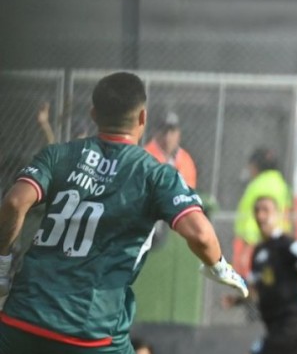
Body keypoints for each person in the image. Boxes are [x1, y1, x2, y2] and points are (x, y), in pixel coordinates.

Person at [0, 71, 248, 354]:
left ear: (93, 114)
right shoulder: (155, 175)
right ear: (143, 118)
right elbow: (201, 234)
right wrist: (218, 266)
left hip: (20, 321)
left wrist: (2, 264)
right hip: (90, 333)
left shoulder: (58, 155)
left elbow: (14, 203)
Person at [223, 196, 297, 354]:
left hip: (292, 328)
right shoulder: (258, 252)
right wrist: (237, 300)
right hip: (274, 329)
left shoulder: (288, 245)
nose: (260, 216)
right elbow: (255, 290)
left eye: (266, 210)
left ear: (278, 215)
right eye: (257, 211)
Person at [233, 147, 293, 277]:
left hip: (254, 243)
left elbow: (251, 221)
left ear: (255, 166)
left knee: (249, 284)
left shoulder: (258, 185)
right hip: (277, 241)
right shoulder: (281, 184)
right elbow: (287, 214)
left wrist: (246, 250)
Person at [144, 111, 198, 190]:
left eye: (172, 131)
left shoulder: (186, 160)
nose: (167, 136)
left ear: (178, 134)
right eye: (164, 131)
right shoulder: (145, 155)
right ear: (155, 132)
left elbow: (190, 190)